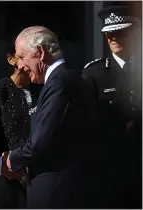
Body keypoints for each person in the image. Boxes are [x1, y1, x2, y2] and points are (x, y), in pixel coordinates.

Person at [6, 26, 98, 208]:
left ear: (40, 52)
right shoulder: (64, 80)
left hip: (57, 194)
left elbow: (40, 143)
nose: (20, 66)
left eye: (22, 57)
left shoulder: (60, 83)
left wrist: (12, 159)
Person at [82, 5, 142, 208]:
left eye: (120, 32)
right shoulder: (94, 73)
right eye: (109, 34)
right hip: (110, 167)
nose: (113, 38)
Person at [0, 39, 41, 208]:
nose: (29, 61)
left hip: (40, 174)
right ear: (11, 59)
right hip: (9, 176)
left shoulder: (42, 88)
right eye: (23, 56)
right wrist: (4, 164)